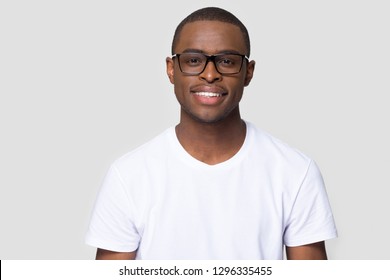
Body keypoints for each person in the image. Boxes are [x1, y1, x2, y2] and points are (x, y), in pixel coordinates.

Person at [85, 7, 337, 260]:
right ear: (171, 69)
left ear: (248, 72)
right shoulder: (129, 175)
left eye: (227, 61)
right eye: (193, 60)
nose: (210, 74)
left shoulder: (295, 171)